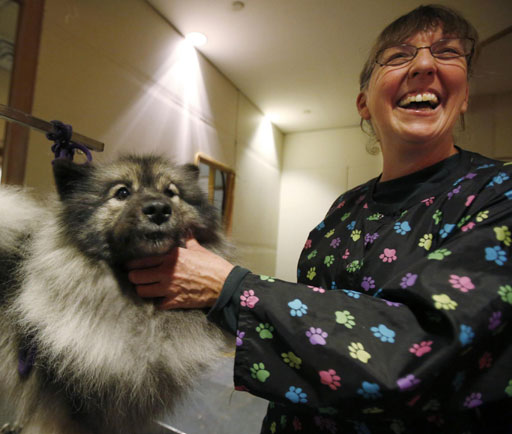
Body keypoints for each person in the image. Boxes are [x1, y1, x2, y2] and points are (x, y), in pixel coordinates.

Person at [128, 5, 512, 433]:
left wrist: (229, 287)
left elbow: (420, 351)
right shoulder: (344, 210)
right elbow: (315, 328)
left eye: (447, 53)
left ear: (465, 98)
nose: (424, 64)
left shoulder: (498, 194)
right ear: (364, 103)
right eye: (399, 56)